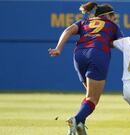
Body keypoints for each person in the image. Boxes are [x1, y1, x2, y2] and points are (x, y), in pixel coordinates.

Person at [48, 2, 123, 135]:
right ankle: (76, 120)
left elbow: (68, 30)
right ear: (107, 15)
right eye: (113, 16)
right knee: (93, 99)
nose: (114, 19)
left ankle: (81, 124)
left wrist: (58, 49)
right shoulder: (112, 25)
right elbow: (120, 43)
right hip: (98, 54)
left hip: (79, 54)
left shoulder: (84, 22)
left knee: (89, 95)